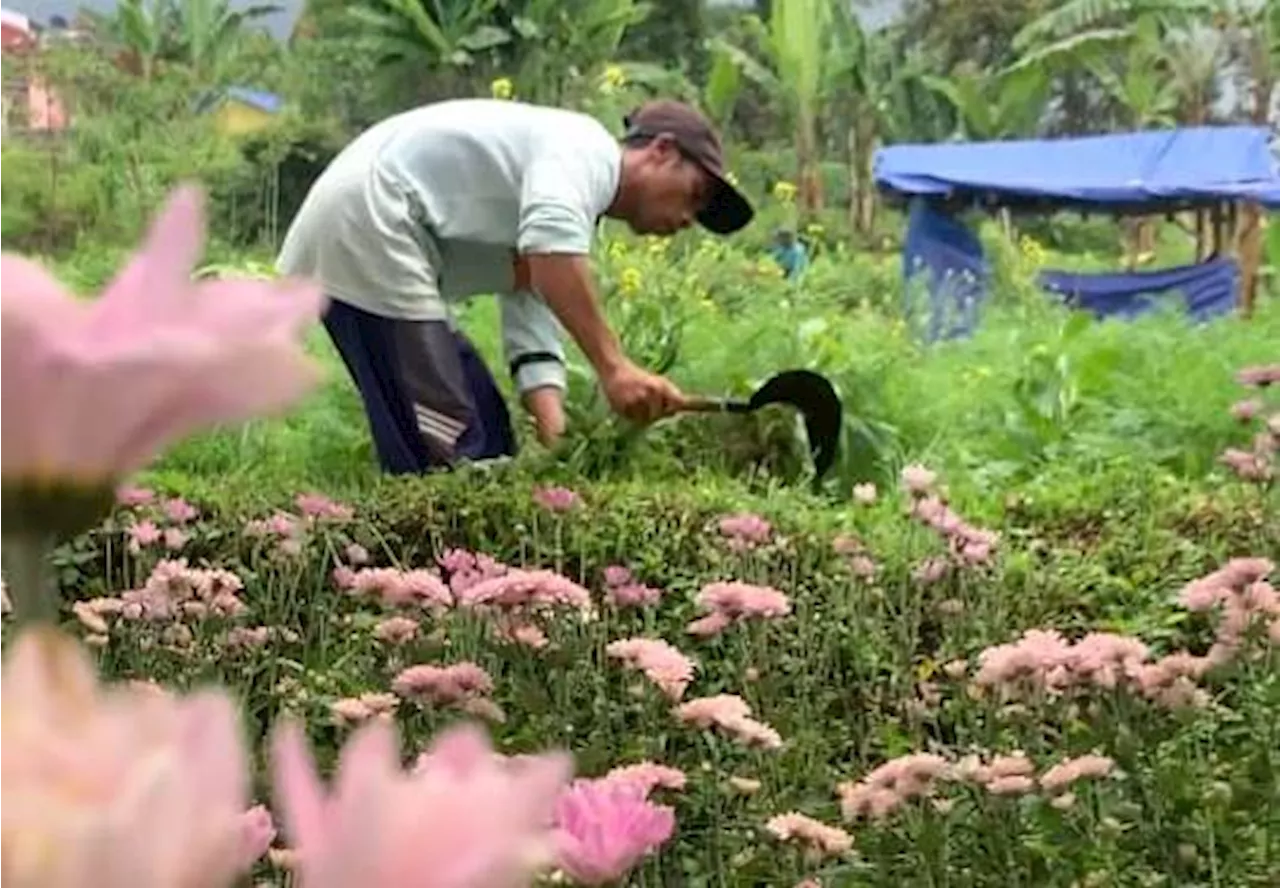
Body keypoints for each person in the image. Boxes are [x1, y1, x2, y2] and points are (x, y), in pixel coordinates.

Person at [276, 97, 754, 474]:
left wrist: (558, 441)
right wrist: (615, 368)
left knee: (486, 439)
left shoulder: (572, 214)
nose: (690, 219)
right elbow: (550, 254)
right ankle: (423, 583)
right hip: (371, 219)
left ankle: (443, 577)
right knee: (452, 449)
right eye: (694, 196)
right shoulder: (582, 147)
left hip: (378, 237)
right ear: (662, 150)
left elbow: (534, 320)